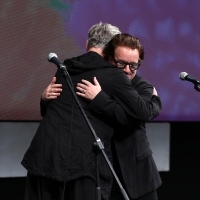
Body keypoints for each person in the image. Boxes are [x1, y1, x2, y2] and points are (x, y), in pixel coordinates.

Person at [22, 22, 161, 200]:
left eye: (133, 65)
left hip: (128, 170)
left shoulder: (67, 68)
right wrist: (44, 98)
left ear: (88, 45)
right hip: (82, 164)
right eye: (121, 63)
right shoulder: (94, 72)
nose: (127, 70)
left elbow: (141, 114)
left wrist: (99, 99)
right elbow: (56, 109)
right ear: (112, 52)